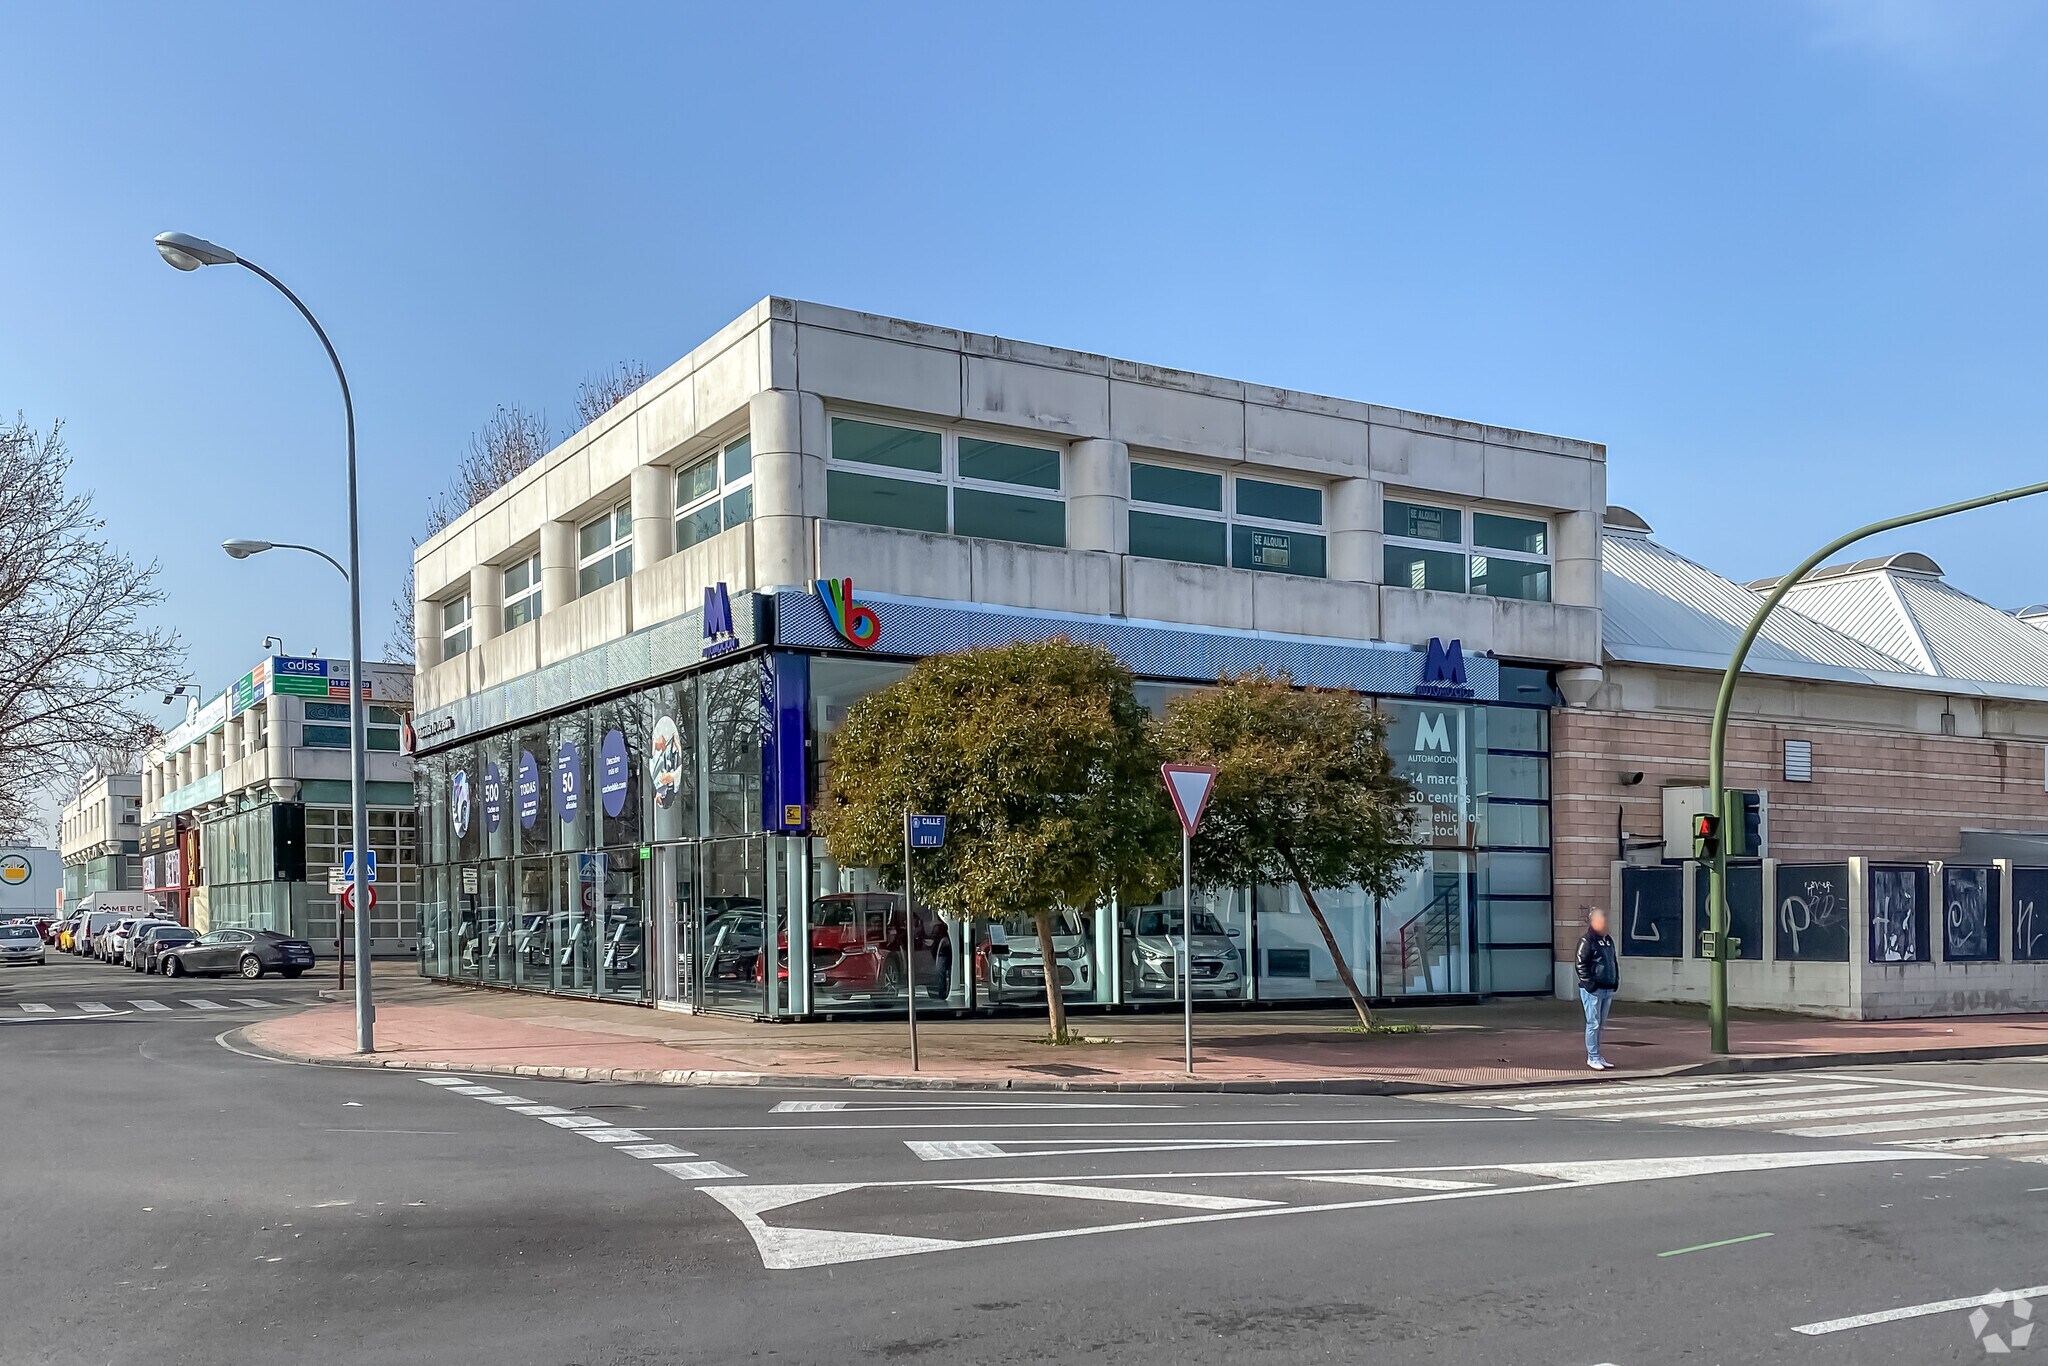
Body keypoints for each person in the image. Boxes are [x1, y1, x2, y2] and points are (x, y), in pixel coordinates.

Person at [1575, 908, 1620, 1070]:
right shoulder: (1587, 940)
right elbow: (1581, 964)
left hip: (1607, 988)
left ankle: (1597, 1054)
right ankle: (1592, 1057)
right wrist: (1590, 985)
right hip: (1594, 990)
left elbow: (1612, 962)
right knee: (1593, 1023)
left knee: (1600, 1024)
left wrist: (1615, 980)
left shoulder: (1608, 941)